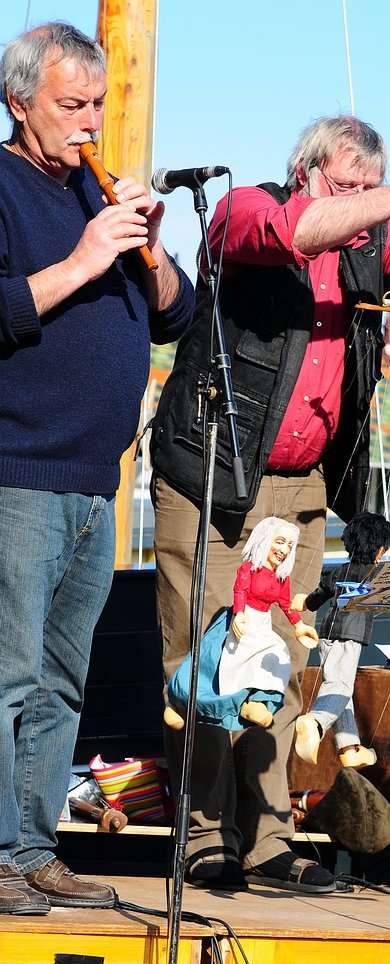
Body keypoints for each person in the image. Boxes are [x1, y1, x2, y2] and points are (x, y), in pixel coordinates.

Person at [150, 115, 390, 892]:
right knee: (201, 656)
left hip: (301, 483)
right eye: (348, 186)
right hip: (211, 472)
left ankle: (269, 839)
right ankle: (203, 835)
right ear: (304, 171)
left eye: (370, 188)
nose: (364, 202)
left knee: (280, 662)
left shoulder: (368, 237)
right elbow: (296, 234)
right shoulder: (245, 211)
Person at [0, 22, 194, 916]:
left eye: (96, 105)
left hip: (92, 482)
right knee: (5, 676)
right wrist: (83, 260)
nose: (87, 124)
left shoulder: (96, 191)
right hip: (19, 471)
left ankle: (33, 848)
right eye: (68, 106)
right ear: (19, 101)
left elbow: (174, 315)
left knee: (60, 681)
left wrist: (146, 250)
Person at [165, 518, 319, 734]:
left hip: (262, 625)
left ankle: (256, 702)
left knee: (276, 657)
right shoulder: (249, 569)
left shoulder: (281, 578)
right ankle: (180, 705)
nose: (284, 549)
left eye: (289, 545)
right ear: (265, 540)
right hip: (241, 621)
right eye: (280, 541)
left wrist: (299, 625)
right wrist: (239, 615)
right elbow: (240, 592)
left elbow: (285, 603)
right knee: (213, 668)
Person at [292, 510, 390, 770]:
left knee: (340, 687)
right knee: (340, 685)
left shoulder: (340, 569)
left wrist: (304, 602)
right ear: (380, 549)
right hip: (351, 635)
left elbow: (319, 594)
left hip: (327, 634)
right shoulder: (378, 574)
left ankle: (349, 747)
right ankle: (315, 722)